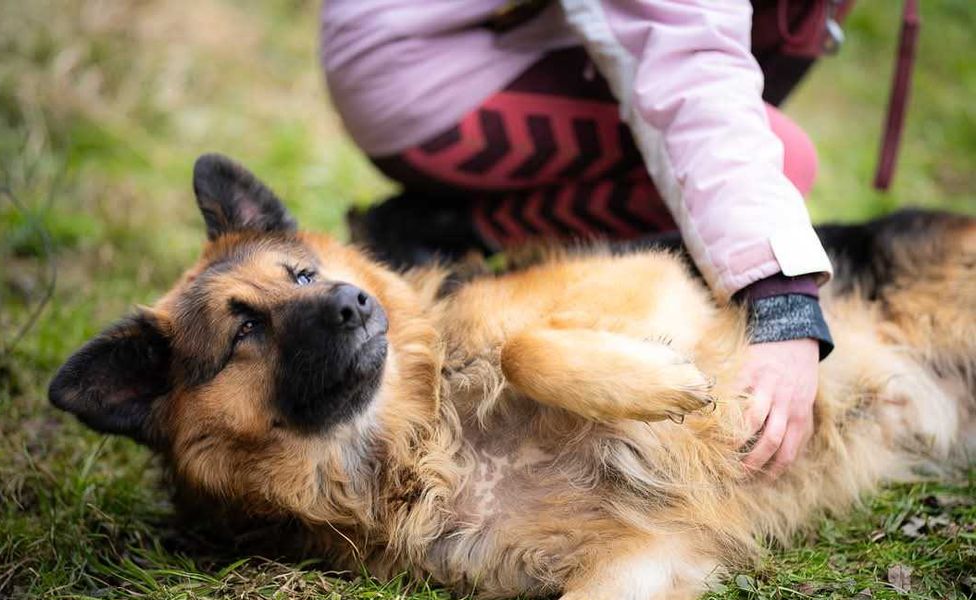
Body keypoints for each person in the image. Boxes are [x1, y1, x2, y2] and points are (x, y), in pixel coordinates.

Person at [321, 0, 853, 476]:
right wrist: (780, 298)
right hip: (417, 63)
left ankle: (449, 227)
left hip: (482, 35)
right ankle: (452, 228)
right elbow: (689, 68)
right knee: (784, 154)